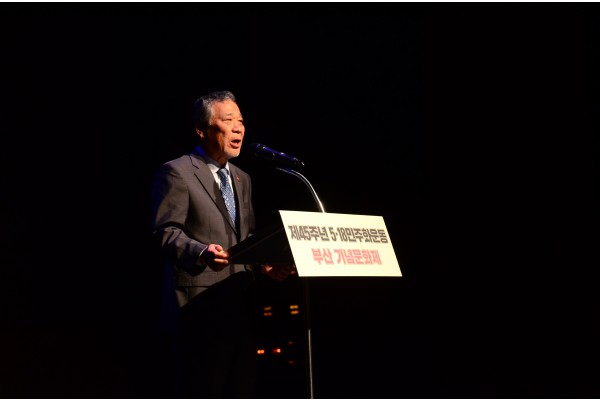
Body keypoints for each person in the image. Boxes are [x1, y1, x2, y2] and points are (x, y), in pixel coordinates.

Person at [150, 90, 297, 398]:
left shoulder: (242, 178)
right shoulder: (177, 172)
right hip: (199, 310)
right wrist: (201, 252)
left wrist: (263, 265)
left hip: (242, 309)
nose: (238, 128)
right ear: (201, 129)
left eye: (241, 121)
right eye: (228, 120)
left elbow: (245, 240)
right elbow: (165, 231)